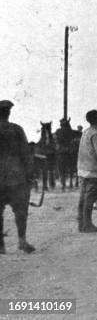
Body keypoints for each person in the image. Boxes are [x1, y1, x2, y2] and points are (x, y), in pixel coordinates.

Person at [0, 100, 35, 254]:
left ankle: (0, 246)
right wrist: (30, 175)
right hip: (17, 178)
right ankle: (22, 240)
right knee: (21, 211)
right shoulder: (17, 130)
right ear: (9, 113)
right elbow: (26, 154)